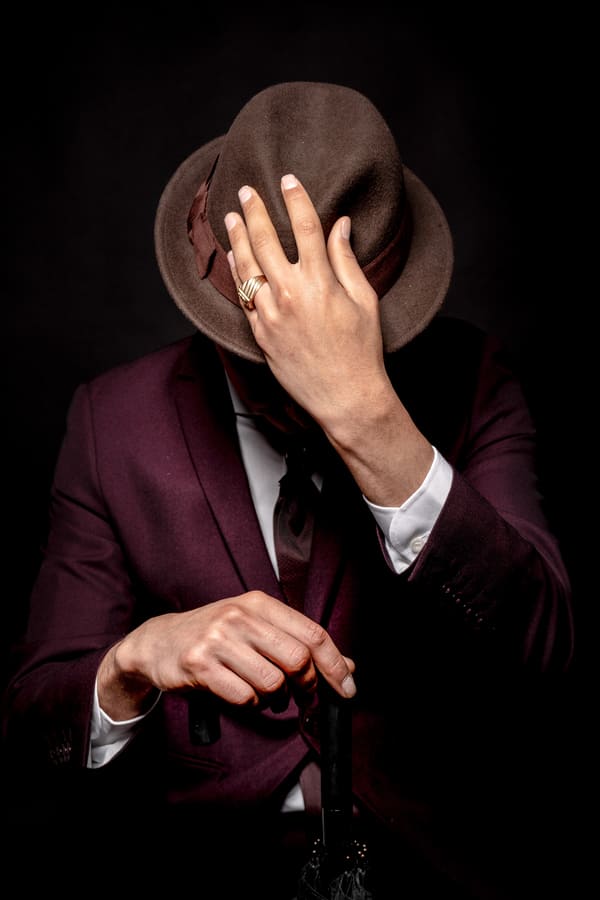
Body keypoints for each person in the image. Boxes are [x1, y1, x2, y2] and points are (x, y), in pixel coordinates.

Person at [2, 82, 574, 899]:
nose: (293, 382)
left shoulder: (476, 382)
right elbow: (31, 724)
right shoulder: (112, 420)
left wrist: (367, 413)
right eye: (266, 350)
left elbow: (547, 650)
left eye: (317, 349)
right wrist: (133, 661)